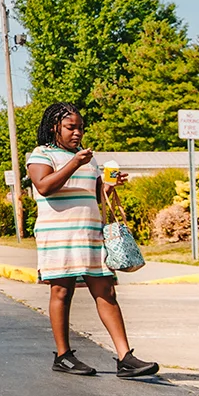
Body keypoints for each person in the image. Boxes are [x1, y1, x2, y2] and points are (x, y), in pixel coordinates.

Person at [26, 103, 159, 378]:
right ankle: (63, 356)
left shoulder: (88, 158)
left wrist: (108, 186)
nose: (77, 133)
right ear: (54, 127)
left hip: (90, 233)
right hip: (58, 235)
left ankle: (125, 357)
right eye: (70, 127)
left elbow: (93, 192)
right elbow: (44, 186)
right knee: (61, 291)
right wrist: (75, 163)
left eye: (80, 128)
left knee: (106, 290)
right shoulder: (42, 154)